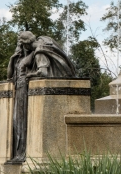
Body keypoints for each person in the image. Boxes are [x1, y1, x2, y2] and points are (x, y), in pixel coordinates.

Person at [7, 31, 76, 162]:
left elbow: (43, 72)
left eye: (21, 44)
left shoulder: (39, 51)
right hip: (21, 90)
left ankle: (21, 154)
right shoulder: (38, 47)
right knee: (18, 122)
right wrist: (13, 59)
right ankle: (20, 153)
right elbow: (9, 76)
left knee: (20, 122)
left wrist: (29, 75)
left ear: (25, 44)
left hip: (25, 91)